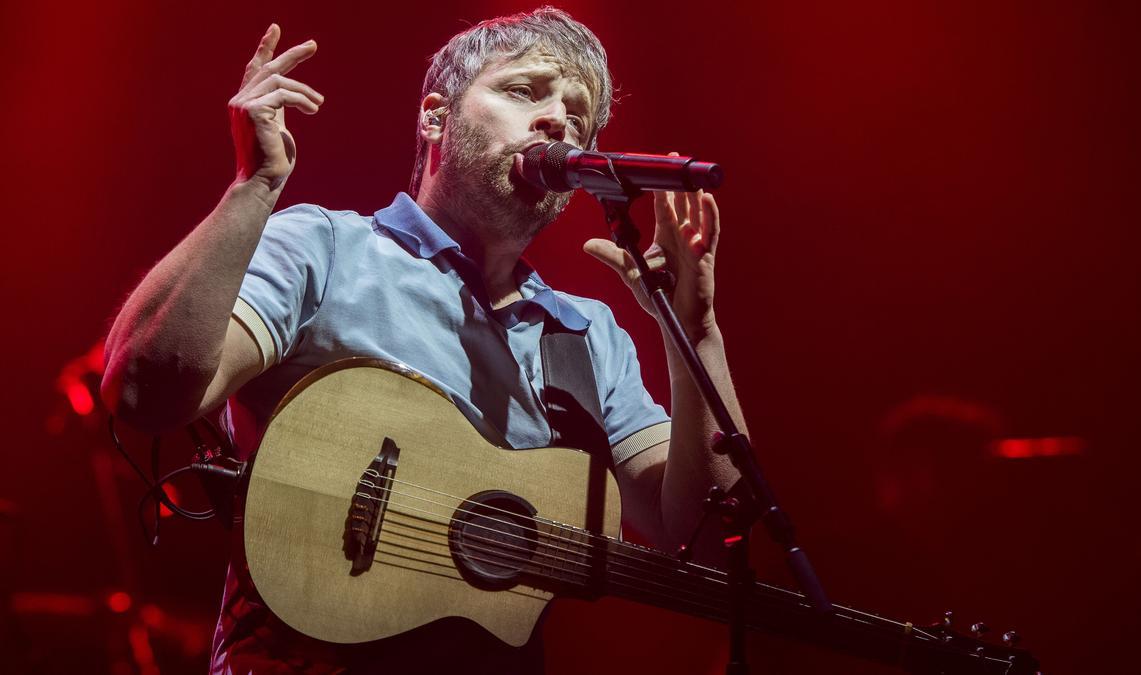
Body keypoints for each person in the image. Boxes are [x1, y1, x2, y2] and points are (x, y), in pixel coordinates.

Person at [102, 7, 746, 673]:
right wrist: (253, 186)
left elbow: (701, 535)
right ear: (435, 117)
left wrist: (697, 335)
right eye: (524, 91)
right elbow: (145, 387)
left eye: (577, 114)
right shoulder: (323, 249)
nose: (558, 119)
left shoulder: (588, 335)